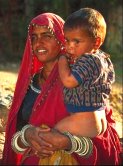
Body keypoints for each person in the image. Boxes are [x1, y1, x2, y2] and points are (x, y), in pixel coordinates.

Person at [1, 11, 121, 165]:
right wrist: (27, 135)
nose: (39, 43)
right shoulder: (29, 86)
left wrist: (68, 143)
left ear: (61, 39)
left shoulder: (84, 78)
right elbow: (14, 141)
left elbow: (103, 135)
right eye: (34, 37)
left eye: (47, 35)